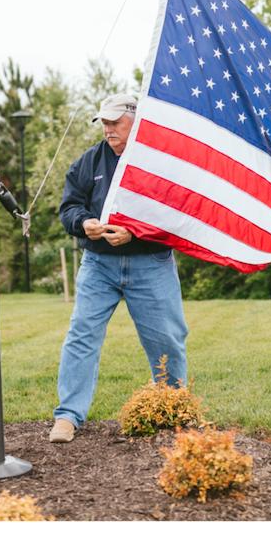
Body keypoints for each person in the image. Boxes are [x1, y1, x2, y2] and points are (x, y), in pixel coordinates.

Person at [49, 93, 188, 443]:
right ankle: (67, 416)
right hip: (97, 265)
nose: (108, 129)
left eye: (115, 122)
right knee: (81, 335)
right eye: (104, 123)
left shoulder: (161, 161)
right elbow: (68, 208)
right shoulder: (88, 162)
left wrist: (135, 233)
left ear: (136, 119)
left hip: (151, 264)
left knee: (167, 340)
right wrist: (84, 224)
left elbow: (176, 215)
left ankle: (172, 412)